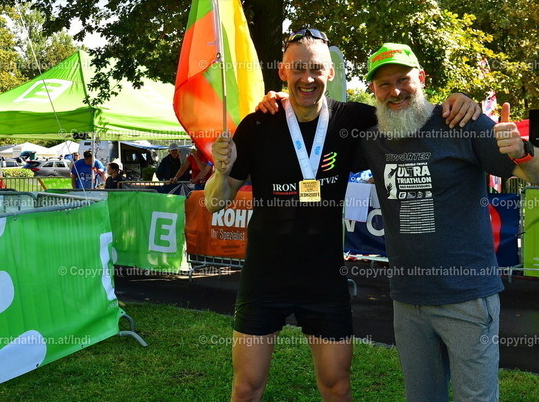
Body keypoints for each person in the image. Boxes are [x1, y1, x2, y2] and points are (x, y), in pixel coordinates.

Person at [205, 28, 480, 402]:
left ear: (330, 73)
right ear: (283, 72)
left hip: (324, 279)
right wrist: (222, 173)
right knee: (246, 387)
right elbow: (215, 203)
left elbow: (408, 108)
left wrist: (458, 100)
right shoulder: (257, 124)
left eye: (316, 69)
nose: (307, 78)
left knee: (337, 387)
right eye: (297, 69)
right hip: (264, 278)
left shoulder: (355, 119)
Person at [356, 43, 539, 402]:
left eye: (403, 79)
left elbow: (534, 174)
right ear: (374, 90)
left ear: (422, 78)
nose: (395, 91)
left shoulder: (462, 122)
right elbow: (318, 116)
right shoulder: (372, 138)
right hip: (407, 299)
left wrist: (522, 152)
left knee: (476, 398)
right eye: (384, 84)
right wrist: (282, 101)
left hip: (467, 297)